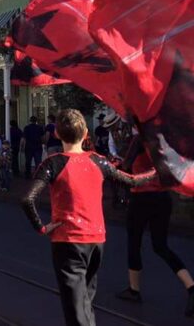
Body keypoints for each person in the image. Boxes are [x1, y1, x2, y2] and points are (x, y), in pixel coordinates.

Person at [21, 109, 157, 326]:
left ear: (56, 134)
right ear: (85, 133)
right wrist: (157, 170)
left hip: (67, 241)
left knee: (75, 309)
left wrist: (42, 227)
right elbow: (132, 181)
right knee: (86, 301)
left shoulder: (53, 163)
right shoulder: (99, 161)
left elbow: (28, 200)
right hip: (96, 240)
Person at [115, 135, 194, 317]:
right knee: (161, 246)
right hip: (163, 198)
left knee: (134, 243)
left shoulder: (140, 139)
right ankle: (191, 286)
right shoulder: (164, 139)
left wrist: (115, 165)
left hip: (142, 197)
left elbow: (126, 166)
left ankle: (134, 290)